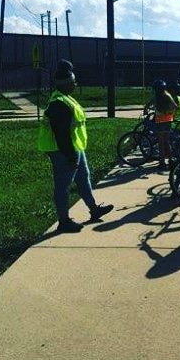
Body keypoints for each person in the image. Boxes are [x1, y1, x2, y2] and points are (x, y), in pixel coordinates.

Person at [37, 62, 113, 233]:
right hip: (63, 151)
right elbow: (61, 134)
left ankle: (94, 209)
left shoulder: (66, 99)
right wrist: (70, 156)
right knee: (63, 185)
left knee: (83, 178)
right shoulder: (59, 103)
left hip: (75, 147)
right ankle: (64, 221)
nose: (75, 84)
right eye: (73, 82)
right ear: (65, 83)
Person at [149, 79, 178, 169]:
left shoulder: (157, 96)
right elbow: (176, 107)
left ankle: (162, 162)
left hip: (160, 121)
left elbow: (150, 103)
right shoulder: (167, 95)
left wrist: (147, 108)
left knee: (161, 143)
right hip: (168, 121)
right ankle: (170, 160)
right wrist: (171, 114)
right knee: (167, 142)